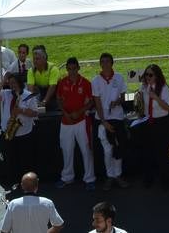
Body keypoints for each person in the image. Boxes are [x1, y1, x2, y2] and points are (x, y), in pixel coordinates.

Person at [54, 57, 96, 189]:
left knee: (86, 150)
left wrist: (80, 112)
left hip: (81, 121)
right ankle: (67, 178)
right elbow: (58, 99)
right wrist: (65, 113)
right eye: (69, 69)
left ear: (78, 68)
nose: (72, 71)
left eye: (74, 68)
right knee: (66, 150)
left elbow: (91, 101)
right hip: (66, 122)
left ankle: (89, 179)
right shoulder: (62, 82)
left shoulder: (86, 83)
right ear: (67, 69)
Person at [131, 63, 169, 189]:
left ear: (157, 76)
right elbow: (141, 103)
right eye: (146, 75)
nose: (148, 77)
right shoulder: (144, 87)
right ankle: (148, 178)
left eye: (150, 75)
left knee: (162, 153)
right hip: (148, 121)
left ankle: (165, 180)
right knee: (147, 152)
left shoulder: (163, 88)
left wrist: (156, 97)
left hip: (161, 122)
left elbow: (168, 108)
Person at [92, 53, 130, 190]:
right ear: (100, 64)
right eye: (102, 61)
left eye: (107, 61)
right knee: (107, 150)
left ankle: (118, 175)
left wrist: (117, 101)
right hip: (103, 120)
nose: (105, 64)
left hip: (118, 118)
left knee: (119, 149)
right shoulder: (95, 80)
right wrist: (104, 121)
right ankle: (110, 176)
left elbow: (123, 97)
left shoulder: (119, 77)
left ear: (112, 63)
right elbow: (97, 103)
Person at [0, 72, 40, 190]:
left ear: (20, 83)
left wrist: (21, 111)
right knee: (11, 160)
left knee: (24, 160)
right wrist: (2, 82)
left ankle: (27, 184)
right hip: (10, 132)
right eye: (10, 83)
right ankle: (14, 182)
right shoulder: (6, 94)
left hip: (24, 134)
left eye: (14, 83)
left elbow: (35, 113)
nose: (12, 86)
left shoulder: (28, 95)